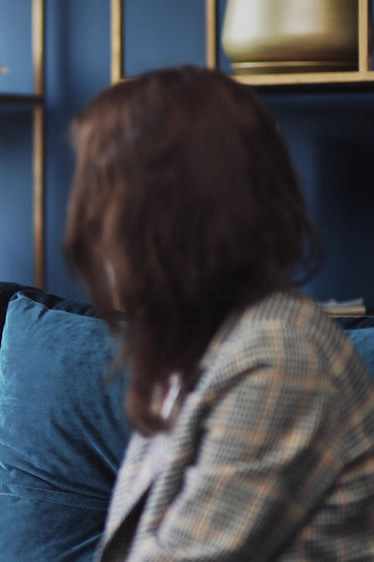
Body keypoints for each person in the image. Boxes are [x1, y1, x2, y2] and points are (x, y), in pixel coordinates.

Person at [63, 66, 374, 560]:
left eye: (106, 189)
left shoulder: (277, 358)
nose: (93, 222)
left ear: (173, 210)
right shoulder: (200, 343)